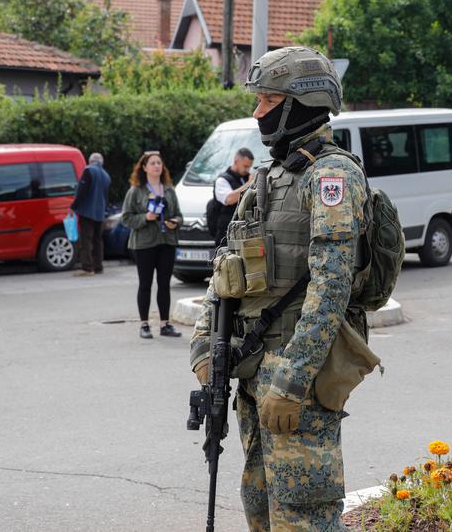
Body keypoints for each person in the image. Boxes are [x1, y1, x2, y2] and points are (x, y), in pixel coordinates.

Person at [190, 46, 365, 531]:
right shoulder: (270, 176)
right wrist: (205, 345)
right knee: (260, 508)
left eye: (267, 100)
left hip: (296, 380)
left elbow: (331, 289)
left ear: (297, 103)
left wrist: (292, 381)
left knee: (303, 517)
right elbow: (225, 266)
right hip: (251, 368)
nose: (257, 112)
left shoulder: (331, 176)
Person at [122, 151, 182, 339]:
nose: (157, 166)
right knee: (145, 284)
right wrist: (145, 218)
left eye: (159, 163)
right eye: (153, 163)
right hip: (144, 244)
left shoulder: (169, 190)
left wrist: (175, 222)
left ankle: (165, 324)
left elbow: (180, 215)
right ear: (145, 167)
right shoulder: (136, 191)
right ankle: (144, 324)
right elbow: (126, 218)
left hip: (167, 242)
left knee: (164, 284)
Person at [70, 152, 111, 277]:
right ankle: (98, 267)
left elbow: (82, 191)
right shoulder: (106, 175)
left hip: (87, 211)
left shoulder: (88, 171)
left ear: (91, 161)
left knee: (86, 240)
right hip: (100, 213)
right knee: (98, 240)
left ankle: (87, 268)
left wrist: (74, 206)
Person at [206, 148, 255, 247]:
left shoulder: (246, 178)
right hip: (226, 235)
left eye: (249, 167)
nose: (247, 170)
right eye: (245, 166)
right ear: (236, 161)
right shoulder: (222, 180)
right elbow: (229, 199)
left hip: (244, 233)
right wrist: (249, 184)